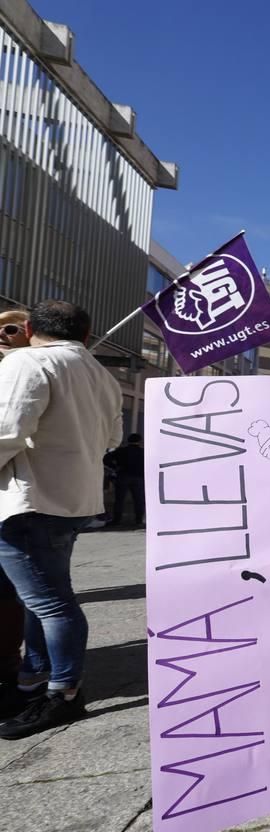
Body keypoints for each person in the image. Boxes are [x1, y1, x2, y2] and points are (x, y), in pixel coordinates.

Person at [0, 301, 123, 739]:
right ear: (86, 336)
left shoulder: (28, 361)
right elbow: (112, 439)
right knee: (42, 598)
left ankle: (64, 693)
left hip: (29, 498)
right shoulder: (104, 377)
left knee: (50, 601)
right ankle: (33, 681)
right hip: (72, 500)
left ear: (30, 327)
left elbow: (5, 432)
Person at [0, 309, 27, 718]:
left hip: (14, 502)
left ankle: (8, 665)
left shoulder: (24, 373)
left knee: (8, 591)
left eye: (10, 328)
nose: (1, 335)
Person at [105, 434, 145, 528]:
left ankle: (117, 520)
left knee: (119, 499)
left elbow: (106, 459)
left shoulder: (121, 450)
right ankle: (138, 520)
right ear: (140, 441)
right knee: (138, 499)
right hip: (138, 478)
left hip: (123, 476)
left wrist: (115, 467)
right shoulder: (143, 452)